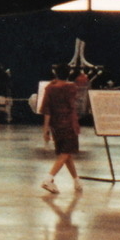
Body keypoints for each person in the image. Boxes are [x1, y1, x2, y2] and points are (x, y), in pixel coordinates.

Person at [41, 65, 81, 194]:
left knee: (66, 153)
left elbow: (46, 110)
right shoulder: (71, 88)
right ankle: (48, 179)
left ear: (54, 73)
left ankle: (76, 180)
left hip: (55, 125)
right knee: (66, 153)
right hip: (69, 124)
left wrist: (46, 129)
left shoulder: (49, 88)